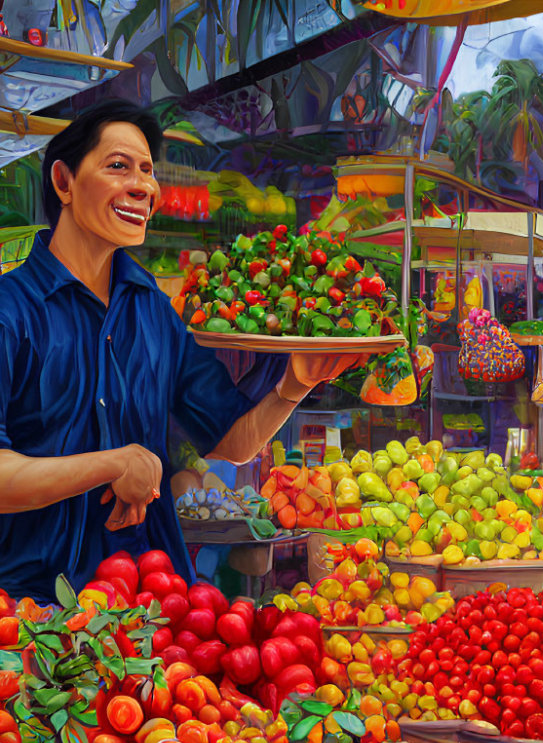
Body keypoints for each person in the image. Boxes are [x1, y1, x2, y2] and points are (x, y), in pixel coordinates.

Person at [0, 101, 361, 602]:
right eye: (119, 166)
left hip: (157, 606)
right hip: (35, 615)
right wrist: (112, 464)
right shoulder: (10, 311)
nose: (144, 187)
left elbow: (231, 442)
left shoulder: (152, 308)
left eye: (148, 171)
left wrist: (294, 386)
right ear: (63, 182)